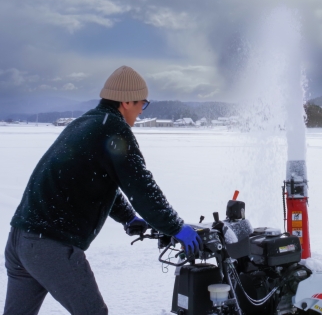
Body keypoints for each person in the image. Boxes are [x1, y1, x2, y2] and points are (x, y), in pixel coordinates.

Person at [4, 66, 202, 315]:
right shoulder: (114, 129)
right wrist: (175, 227)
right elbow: (141, 188)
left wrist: (127, 217)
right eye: (142, 103)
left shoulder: (87, 122)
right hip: (50, 244)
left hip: (20, 240)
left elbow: (99, 178)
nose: (142, 109)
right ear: (126, 101)